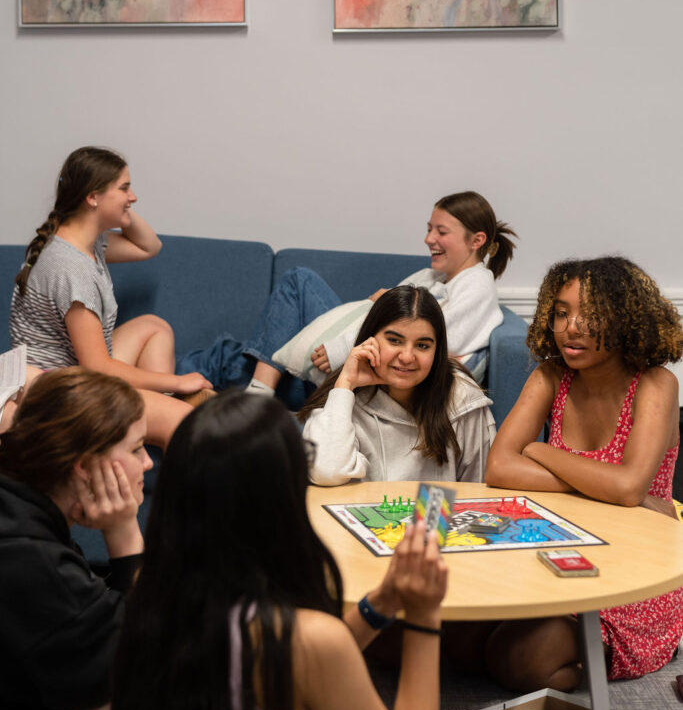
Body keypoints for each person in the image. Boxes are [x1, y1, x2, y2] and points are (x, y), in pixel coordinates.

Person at [106, 391, 449, 710]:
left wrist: (380, 604)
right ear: (279, 501)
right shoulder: (310, 640)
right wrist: (423, 618)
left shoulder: (151, 591)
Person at [483, 256, 683, 690]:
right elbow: (498, 467)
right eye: (561, 312)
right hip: (554, 558)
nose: (571, 327)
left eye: (591, 316)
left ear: (628, 320)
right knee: (451, 632)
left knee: (518, 660)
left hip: (632, 578)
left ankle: (592, 663)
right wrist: (604, 486)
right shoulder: (551, 375)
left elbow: (629, 487)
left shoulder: (656, 384)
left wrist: (538, 450)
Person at [178, 189, 516, 403]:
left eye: (441, 231)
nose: (429, 239)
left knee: (294, 285)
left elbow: (435, 338)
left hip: (354, 373)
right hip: (348, 362)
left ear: (477, 241)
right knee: (229, 356)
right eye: (429, 228)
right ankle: (239, 392)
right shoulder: (431, 276)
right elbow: (382, 317)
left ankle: (243, 396)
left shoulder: (477, 285)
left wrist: (343, 348)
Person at [10, 147, 212, 447]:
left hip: (74, 369)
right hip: (59, 394)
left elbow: (149, 247)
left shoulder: (84, 243)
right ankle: (156, 420)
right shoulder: (70, 269)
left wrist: (121, 209)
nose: (134, 196)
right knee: (187, 422)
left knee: (153, 327)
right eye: (125, 188)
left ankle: (142, 418)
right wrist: (178, 382)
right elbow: (97, 367)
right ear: (92, 197)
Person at [0, 366, 153, 710]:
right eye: (135, 449)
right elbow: (144, 651)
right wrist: (124, 532)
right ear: (84, 466)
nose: (148, 462)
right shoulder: (30, 559)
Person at [299, 285, 496, 485]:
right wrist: (345, 383)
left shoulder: (462, 397)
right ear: (370, 339)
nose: (407, 357)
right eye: (394, 340)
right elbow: (325, 472)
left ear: (437, 350)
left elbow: (478, 490)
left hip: (437, 516)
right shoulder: (343, 395)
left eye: (422, 345)